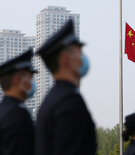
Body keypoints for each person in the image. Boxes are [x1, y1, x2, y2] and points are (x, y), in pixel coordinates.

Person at [35, 20, 97, 155]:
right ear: (65, 58)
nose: (83, 58)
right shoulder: (69, 102)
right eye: (79, 52)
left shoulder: (53, 99)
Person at [0, 49, 37, 155]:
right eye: (30, 77)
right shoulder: (16, 114)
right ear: (17, 79)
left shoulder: (1, 111)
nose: (33, 82)